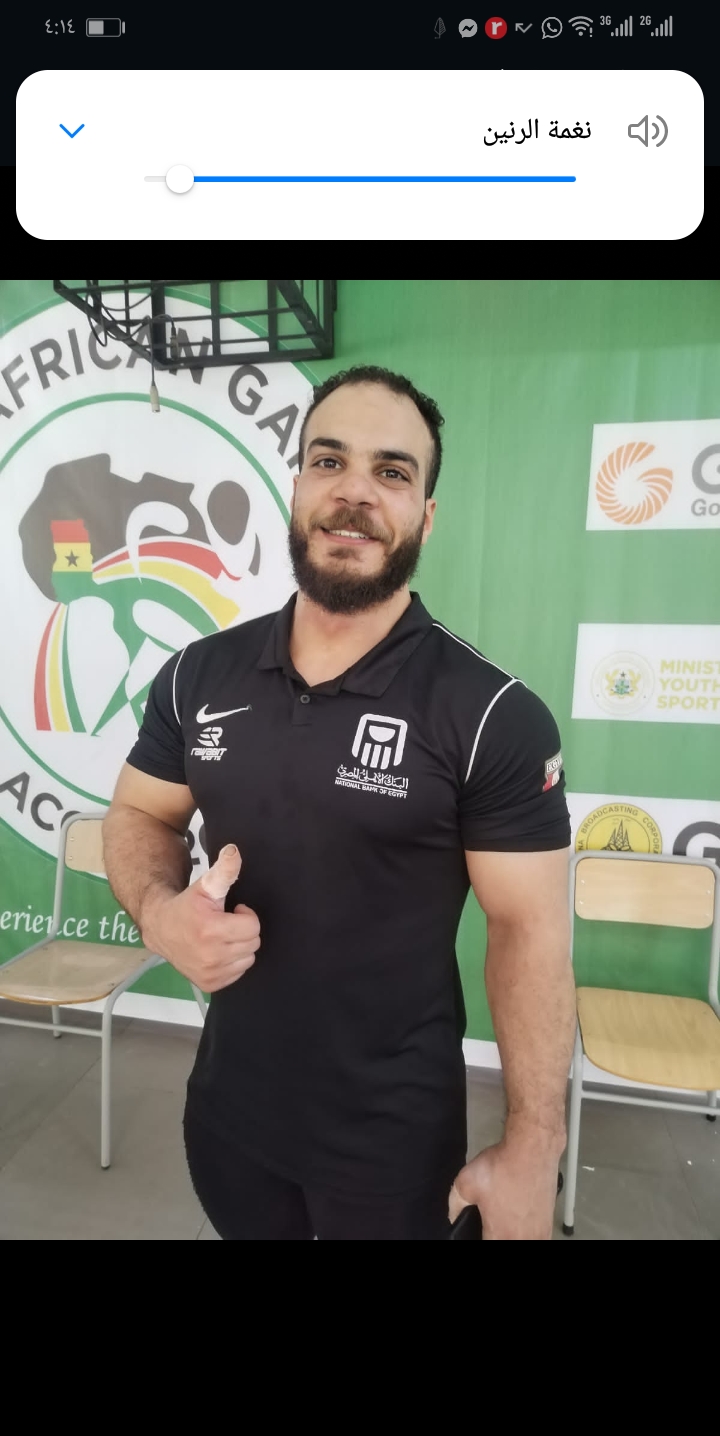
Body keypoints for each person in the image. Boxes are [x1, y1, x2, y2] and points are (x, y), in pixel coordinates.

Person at [102, 364, 577, 1241]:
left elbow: (530, 931)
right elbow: (139, 816)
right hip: (227, 1118)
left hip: (394, 1143)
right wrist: (161, 914)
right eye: (329, 461)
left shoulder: (491, 714)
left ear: (426, 514)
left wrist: (533, 1146)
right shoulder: (197, 674)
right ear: (297, 488)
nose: (355, 491)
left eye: (392, 471)